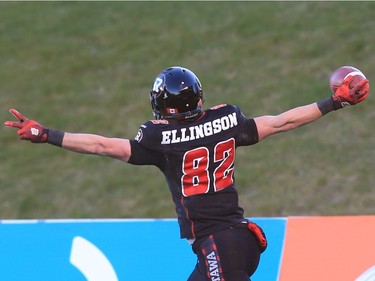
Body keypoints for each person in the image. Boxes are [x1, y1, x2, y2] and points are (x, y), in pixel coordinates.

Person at [4, 66, 369, 281]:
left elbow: (101, 145)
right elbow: (282, 122)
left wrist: (47, 135)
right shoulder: (226, 120)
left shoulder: (160, 137)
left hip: (219, 243)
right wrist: (334, 102)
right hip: (236, 241)